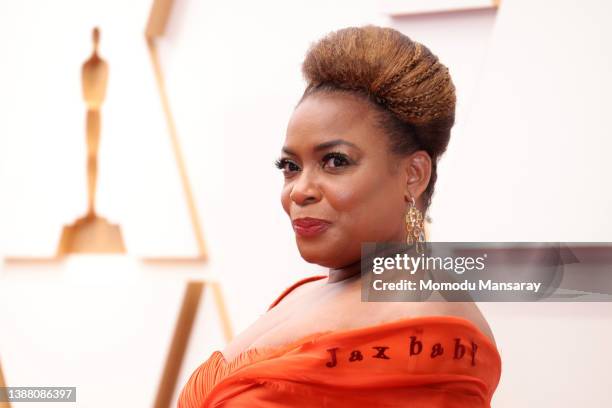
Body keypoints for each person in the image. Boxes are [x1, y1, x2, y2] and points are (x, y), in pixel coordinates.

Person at [178, 25, 501, 407]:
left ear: (413, 175)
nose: (300, 190)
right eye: (290, 166)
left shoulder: (427, 323)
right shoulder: (301, 294)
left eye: (335, 161)